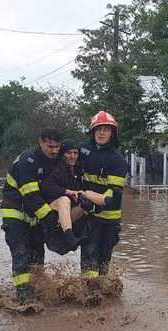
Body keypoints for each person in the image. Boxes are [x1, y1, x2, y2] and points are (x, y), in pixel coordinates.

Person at [1, 128, 62, 304]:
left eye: (57, 147)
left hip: (34, 216)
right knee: (21, 253)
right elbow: (31, 197)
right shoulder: (26, 162)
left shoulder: (54, 161)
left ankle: (38, 291)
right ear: (40, 142)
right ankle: (24, 299)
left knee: (37, 254)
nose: (54, 151)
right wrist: (51, 219)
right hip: (15, 214)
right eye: (50, 146)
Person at [79, 111, 128, 284]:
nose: (101, 133)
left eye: (106, 129)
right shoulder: (82, 152)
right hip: (89, 217)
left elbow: (113, 194)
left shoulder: (118, 161)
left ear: (113, 133)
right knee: (89, 254)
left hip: (110, 220)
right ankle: (89, 293)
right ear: (92, 132)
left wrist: (94, 199)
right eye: (98, 129)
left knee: (103, 260)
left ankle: (101, 289)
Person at [39, 140, 86, 255]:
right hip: (52, 210)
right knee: (64, 199)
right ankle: (70, 237)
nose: (72, 156)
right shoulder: (56, 168)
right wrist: (67, 191)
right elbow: (45, 187)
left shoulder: (78, 170)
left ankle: (79, 234)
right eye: (69, 153)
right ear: (62, 154)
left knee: (88, 202)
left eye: (75, 153)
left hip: (68, 214)